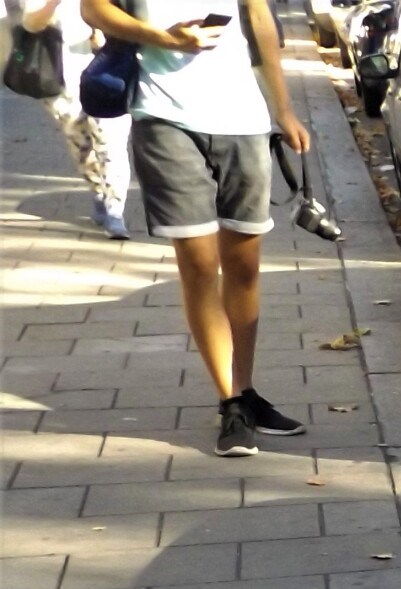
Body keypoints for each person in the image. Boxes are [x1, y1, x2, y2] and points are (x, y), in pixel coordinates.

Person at [80, 0, 310, 457]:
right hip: (163, 118)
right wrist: (165, 39)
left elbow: (260, 20)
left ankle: (245, 390)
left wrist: (282, 108)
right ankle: (230, 402)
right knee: (200, 264)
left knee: (244, 267)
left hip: (243, 119)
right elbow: (93, 10)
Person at [5, 0, 132, 237]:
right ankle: (98, 192)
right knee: (81, 145)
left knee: (111, 142)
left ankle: (115, 210)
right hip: (63, 78)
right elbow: (31, 25)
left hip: (111, 72)